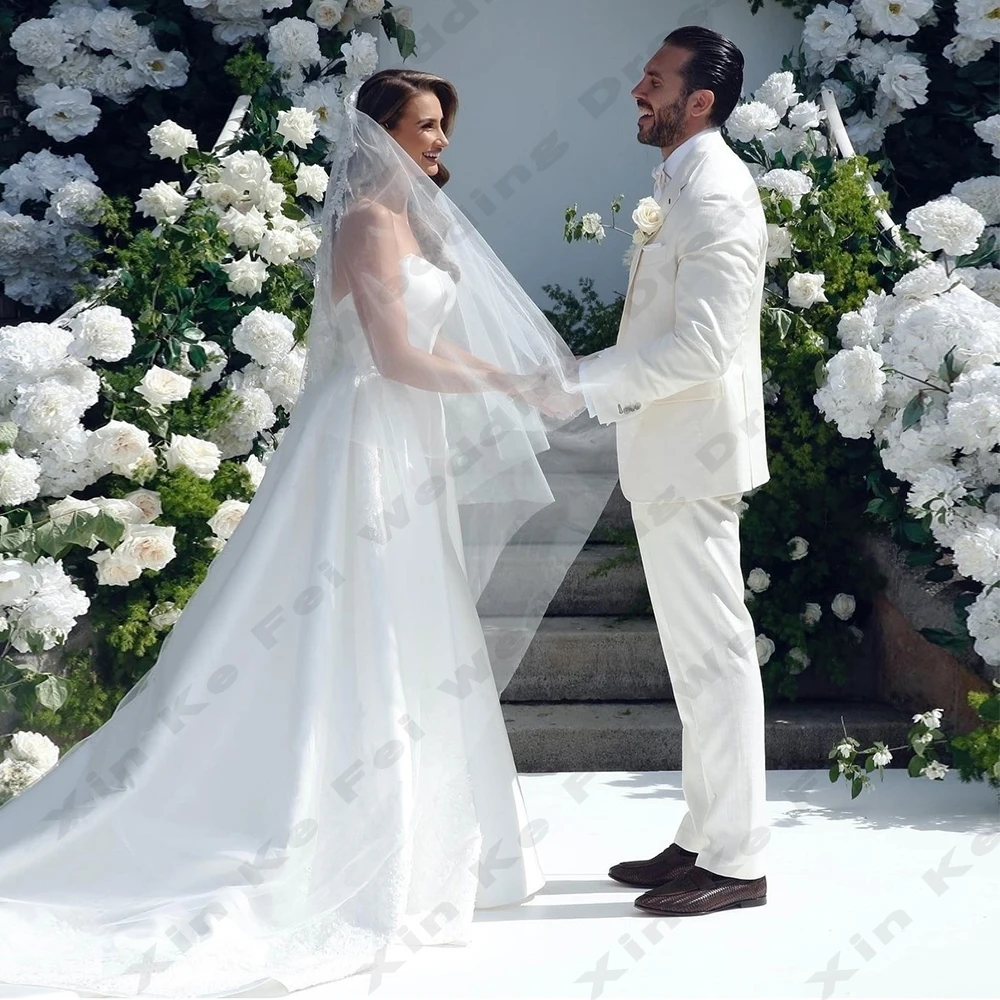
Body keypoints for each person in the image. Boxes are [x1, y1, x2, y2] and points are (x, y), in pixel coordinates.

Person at [0, 69, 616, 995]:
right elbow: (398, 354)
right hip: (362, 439)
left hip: (398, 443)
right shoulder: (370, 222)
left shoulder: (407, 219)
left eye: (443, 124)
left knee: (407, 628)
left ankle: (416, 831)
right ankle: (304, 821)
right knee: (346, 622)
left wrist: (511, 375)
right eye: (426, 124)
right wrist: (505, 384)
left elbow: (431, 344)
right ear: (382, 133)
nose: (441, 139)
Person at [571, 26, 772, 915]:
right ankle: (701, 835)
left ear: (701, 101)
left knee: (717, 655)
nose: (635, 91)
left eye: (653, 81)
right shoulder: (678, 183)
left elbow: (706, 345)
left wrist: (589, 383)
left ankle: (736, 861)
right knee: (695, 661)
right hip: (669, 453)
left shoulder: (719, 194)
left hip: (693, 458)